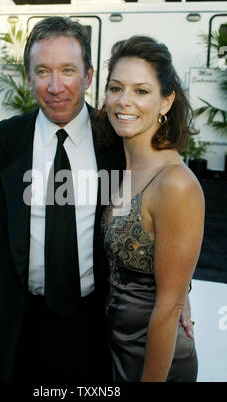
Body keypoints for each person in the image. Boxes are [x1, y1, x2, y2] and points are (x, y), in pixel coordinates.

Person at [0, 17, 193, 383]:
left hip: (98, 321)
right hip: (20, 319)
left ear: (89, 76)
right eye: (43, 71)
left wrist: (181, 290)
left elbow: (168, 217)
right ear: (28, 76)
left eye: (68, 70)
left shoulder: (120, 141)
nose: (56, 86)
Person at [99, 36, 205, 382]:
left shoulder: (176, 184)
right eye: (116, 88)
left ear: (166, 101)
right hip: (114, 348)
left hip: (154, 362)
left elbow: (168, 308)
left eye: (141, 91)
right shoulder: (121, 163)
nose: (124, 101)